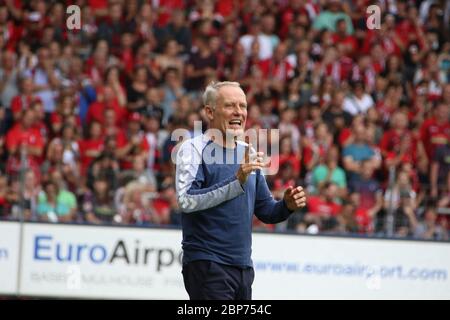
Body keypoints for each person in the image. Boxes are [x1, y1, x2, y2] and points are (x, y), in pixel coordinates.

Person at [175, 81, 306, 300]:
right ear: (210, 111)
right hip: (208, 263)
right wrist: (236, 182)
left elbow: (266, 211)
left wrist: (286, 206)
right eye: (230, 106)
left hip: (243, 267)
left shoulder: (248, 151)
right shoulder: (193, 149)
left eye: (242, 106)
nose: (239, 112)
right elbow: (186, 201)